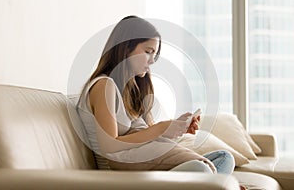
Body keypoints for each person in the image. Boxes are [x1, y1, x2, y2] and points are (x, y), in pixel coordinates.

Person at [76, 15, 235, 175]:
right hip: (124, 175)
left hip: (146, 166)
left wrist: (176, 128)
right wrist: (160, 128)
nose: (152, 60)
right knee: (201, 169)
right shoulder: (104, 85)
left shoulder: (134, 89)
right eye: (148, 51)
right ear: (126, 48)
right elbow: (110, 146)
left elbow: (147, 138)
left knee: (224, 158)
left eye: (155, 54)